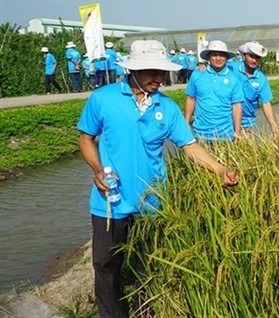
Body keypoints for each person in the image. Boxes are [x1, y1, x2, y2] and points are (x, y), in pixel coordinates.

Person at [77, 40, 238, 318]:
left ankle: (146, 311)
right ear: (133, 70)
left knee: (146, 265)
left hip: (151, 203)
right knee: (106, 266)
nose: (158, 78)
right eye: (151, 71)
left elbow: (189, 146)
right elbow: (86, 138)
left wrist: (220, 169)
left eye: (162, 72)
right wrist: (97, 169)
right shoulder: (103, 99)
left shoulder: (167, 107)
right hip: (110, 203)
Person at [185, 40, 244, 142]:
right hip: (200, 134)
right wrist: (186, 124)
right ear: (208, 57)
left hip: (225, 135)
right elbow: (191, 99)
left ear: (226, 58)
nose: (218, 58)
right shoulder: (197, 74)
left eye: (221, 55)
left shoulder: (233, 79)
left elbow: (236, 106)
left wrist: (237, 131)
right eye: (214, 55)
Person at [233, 41, 278, 137]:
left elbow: (266, 103)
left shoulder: (261, 79)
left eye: (257, 57)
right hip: (228, 121)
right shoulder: (232, 68)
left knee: (247, 150)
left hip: (246, 123)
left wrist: (274, 127)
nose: (254, 60)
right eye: (251, 56)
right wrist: (201, 66)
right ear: (244, 56)